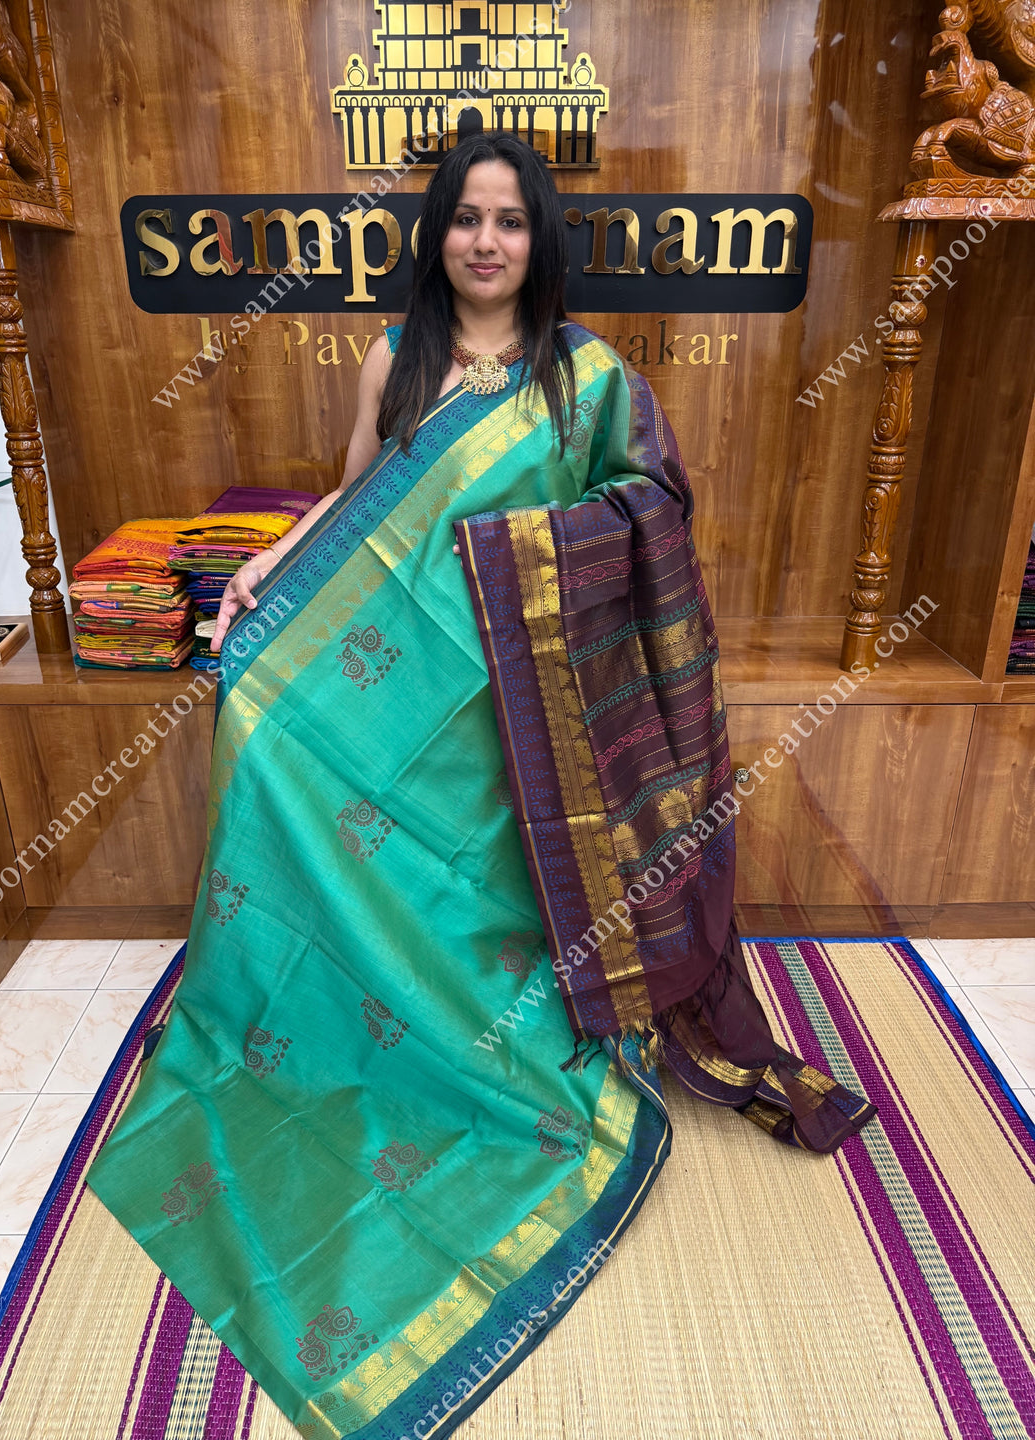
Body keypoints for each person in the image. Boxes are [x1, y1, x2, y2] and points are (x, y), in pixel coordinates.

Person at [88, 134, 876, 1437]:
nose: (488, 241)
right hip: (401, 689)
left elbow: (653, 506)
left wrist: (528, 556)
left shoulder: (588, 376)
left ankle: (495, 1035)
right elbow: (357, 498)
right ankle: (333, 1004)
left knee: (490, 895)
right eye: (465, 218)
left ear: (540, 239)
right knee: (267, 725)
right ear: (438, 235)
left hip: (516, 719)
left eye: (511, 220)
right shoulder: (395, 361)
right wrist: (272, 564)